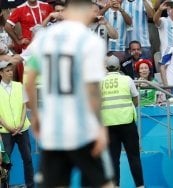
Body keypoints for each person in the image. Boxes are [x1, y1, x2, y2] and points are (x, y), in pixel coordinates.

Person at [25, 0, 114, 186]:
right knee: (105, 183)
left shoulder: (45, 37)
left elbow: (30, 79)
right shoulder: (90, 41)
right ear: (87, 10)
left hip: (53, 130)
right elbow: (92, 90)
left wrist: (35, 115)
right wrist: (100, 127)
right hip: (83, 129)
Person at [100, 55, 144, 187]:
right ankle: (140, 186)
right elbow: (136, 99)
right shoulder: (127, 79)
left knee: (113, 159)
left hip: (108, 125)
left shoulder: (100, 81)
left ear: (106, 68)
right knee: (134, 157)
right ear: (119, 67)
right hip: (127, 123)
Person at [0, 61, 34, 188]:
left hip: (22, 129)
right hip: (6, 132)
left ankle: (30, 186)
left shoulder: (20, 86)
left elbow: (24, 106)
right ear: (1, 73)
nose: (11, 72)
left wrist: (20, 124)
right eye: (7, 71)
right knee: (5, 163)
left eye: (11, 70)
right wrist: (9, 127)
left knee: (28, 160)